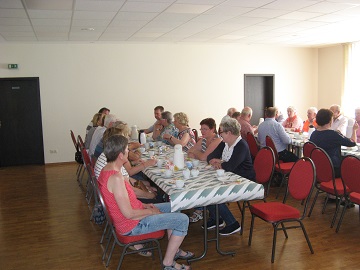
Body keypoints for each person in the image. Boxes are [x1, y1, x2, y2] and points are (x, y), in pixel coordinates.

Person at [97, 135, 193, 270]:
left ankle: (174, 250)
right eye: (126, 150)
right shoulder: (116, 178)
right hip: (132, 225)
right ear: (120, 155)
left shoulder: (108, 170)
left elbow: (126, 200)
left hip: (133, 216)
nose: (128, 152)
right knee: (183, 220)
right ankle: (168, 264)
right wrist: (151, 211)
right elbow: (129, 214)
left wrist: (144, 205)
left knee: (174, 206)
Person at [205, 118, 255, 236]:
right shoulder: (224, 143)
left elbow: (230, 166)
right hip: (230, 176)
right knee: (207, 188)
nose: (219, 134)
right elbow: (210, 157)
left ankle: (232, 223)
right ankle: (216, 218)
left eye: (221, 132)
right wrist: (219, 162)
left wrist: (220, 162)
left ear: (229, 133)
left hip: (244, 180)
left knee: (214, 192)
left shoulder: (241, 145)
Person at [94, 127, 160, 203]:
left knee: (150, 186)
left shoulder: (110, 157)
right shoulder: (114, 170)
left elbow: (127, 179)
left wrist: (145, 188)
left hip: (115, 197)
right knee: (158, 198)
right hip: (122, 200)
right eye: (127, 149)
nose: (129, 151)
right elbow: (131, 191)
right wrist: (149, 194)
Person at [187, 118, 222, 223]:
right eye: (201, 129)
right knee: (192, 179)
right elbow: (190, 152)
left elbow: (202, 157)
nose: (202, 131)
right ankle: (199, 208)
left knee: (198, 183)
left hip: (217, 171)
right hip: (205, 169)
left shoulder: (217, 140)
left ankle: (200, 210)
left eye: (205, 129)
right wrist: (198, 155)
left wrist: (197, 154)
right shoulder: (203, 140)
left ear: (213, 129)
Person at [310, 108, 358, 177]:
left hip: (317, 167)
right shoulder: (333, 135)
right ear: (330, 121)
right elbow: (352, 143)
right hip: (333, 168)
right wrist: (354, 130)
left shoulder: (314, 134)